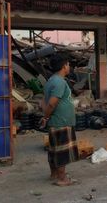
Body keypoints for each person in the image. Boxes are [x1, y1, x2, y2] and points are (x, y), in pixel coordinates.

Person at [40, 54, 79, 187]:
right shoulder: (59, 82)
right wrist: (46, 116)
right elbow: (51, 103)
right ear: (64, 66)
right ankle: (62, 178)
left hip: (55, 121)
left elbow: (43, 102)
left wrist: (46, 117)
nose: (69, 67)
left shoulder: (51, 80)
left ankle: (54, 174)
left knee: (54, 149)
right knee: (62, 151)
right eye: (68, 64)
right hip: (61, 122)